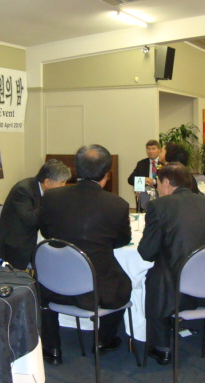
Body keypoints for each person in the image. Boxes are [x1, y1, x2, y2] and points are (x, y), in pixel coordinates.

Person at [39, 144, 132, 364]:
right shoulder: (117, 204)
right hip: (96, 290)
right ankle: (103, 340)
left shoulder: (51, 197)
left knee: (41, 283)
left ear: (75, 169)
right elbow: (122, 241)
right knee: (124, 285)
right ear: (107, 174)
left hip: (53, 285)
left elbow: (46, 232)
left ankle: (51, 348)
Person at [138, 163, 205, 364]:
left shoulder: (159, 206)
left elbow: (147, 252)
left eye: (158, 183)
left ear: (166, 182)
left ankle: (162, 347)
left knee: (157, 273)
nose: (158, 188)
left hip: (177, 286)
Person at [0, 159, 71, 270]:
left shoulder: (44, 190)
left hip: (34, 234)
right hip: (17, 242)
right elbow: (29, 220)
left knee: (63, 249)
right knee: (55, 258)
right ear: (48, 182)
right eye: (62, 183)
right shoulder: (22, 190)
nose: (64, 186)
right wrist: (51, 203)